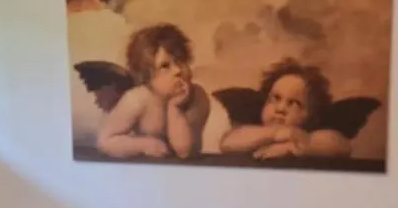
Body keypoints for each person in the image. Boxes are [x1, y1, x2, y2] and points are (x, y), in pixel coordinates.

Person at [97, 24, 209, 159]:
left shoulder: (197, 97)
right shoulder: (138, 99)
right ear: (146, 76)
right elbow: (105, 141)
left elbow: (184, 152)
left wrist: (174, 108)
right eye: (165, 66)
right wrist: (143, 145)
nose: (178, 70)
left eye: (181, 61)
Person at [220, 58, 350, 160]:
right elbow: (228, 142)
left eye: (294, 103)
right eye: (275, 98)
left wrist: (298, 146)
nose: (281, 108)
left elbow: (342, 145)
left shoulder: (311, 136)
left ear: (312, 116)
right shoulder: (252, 132)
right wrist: (275, 134)